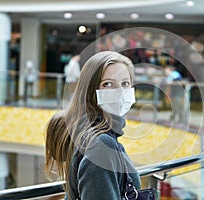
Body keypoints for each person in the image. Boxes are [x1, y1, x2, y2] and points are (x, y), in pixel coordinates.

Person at [45, 51, 140, 200]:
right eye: (108, 84)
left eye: (125, 84)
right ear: (90, 91)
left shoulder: (88, 133)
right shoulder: (101, 145)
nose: (120, 92)